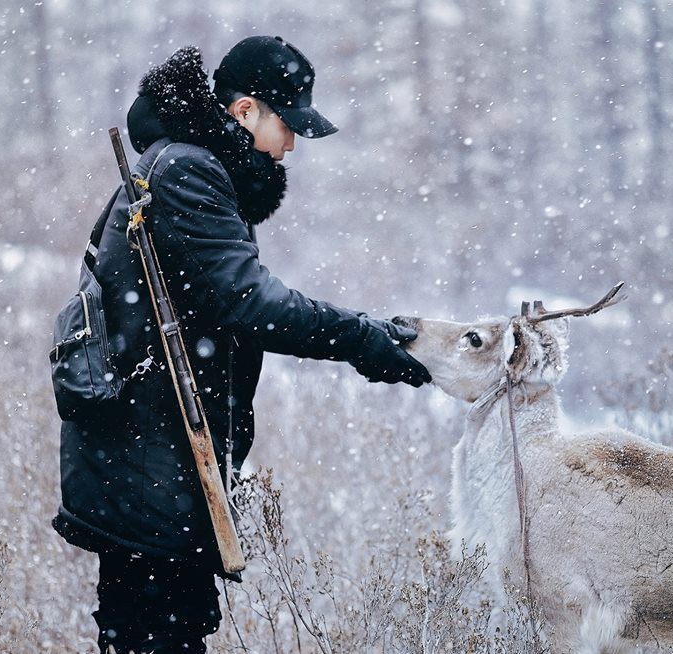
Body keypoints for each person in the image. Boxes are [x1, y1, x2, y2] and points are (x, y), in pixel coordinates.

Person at [52, 36, 431, 653]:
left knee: (156, 631)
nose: (291, 146)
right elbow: (252, 303)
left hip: (147, 462)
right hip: (148, 466)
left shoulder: (183, 165)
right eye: (288, 126)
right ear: (245, 110)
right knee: (160, 635)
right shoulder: (187, 171)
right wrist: (362, 337)